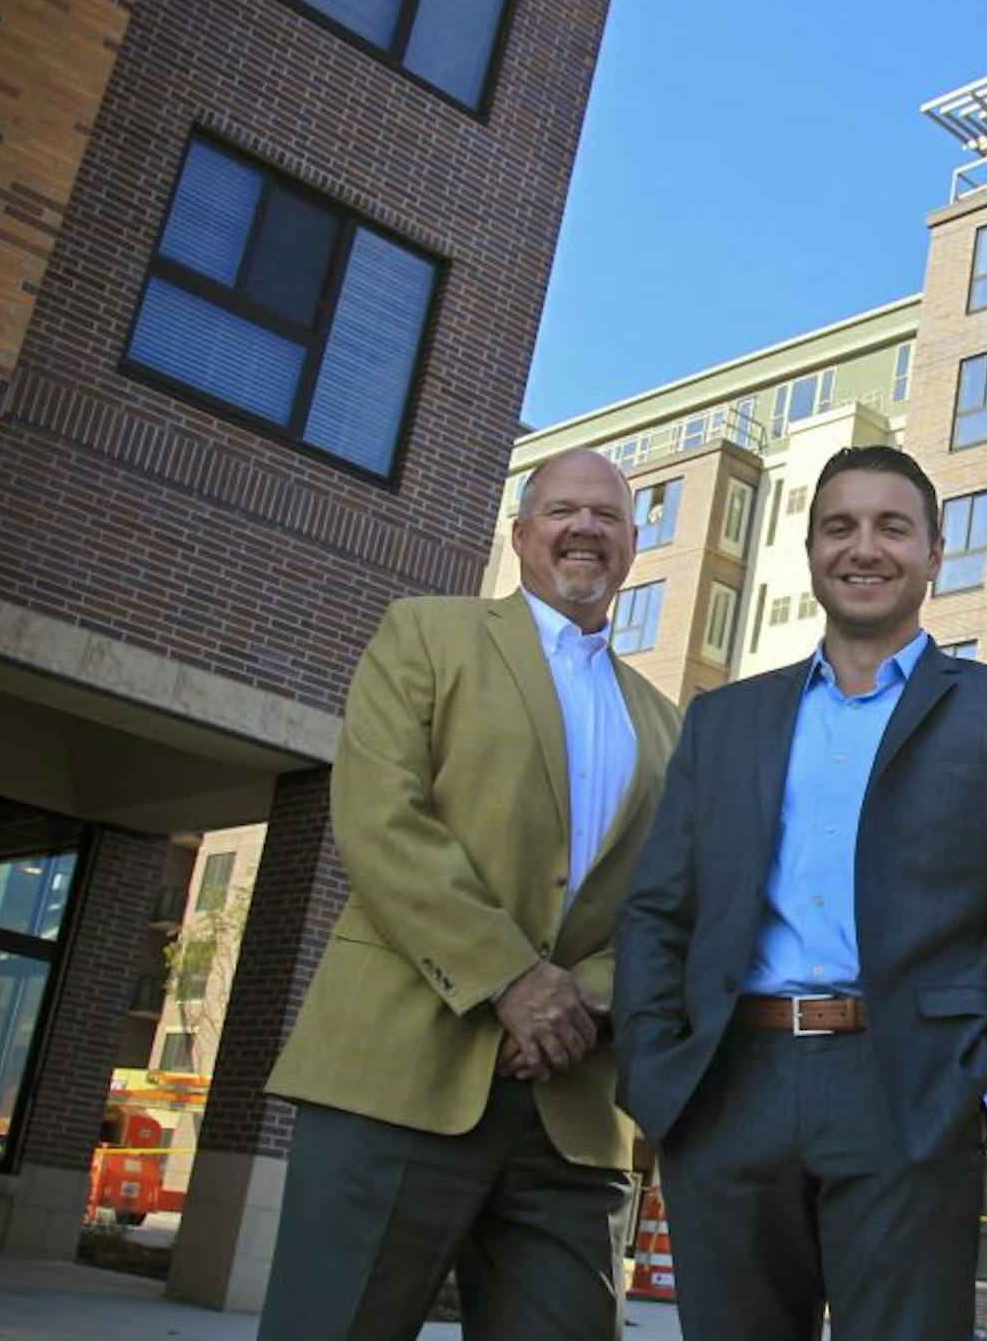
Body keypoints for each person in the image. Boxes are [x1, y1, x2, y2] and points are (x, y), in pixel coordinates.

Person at [614, 444, 987, 1341]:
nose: (863, 548)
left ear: (934, 553)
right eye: (840, 526)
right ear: (811, 551)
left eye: (891, 527)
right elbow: (657, 910)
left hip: (910, 1088)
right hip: (728, 1089)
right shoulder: (725, 721)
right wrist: (651, 1065)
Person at [259, 450, 681, 1341]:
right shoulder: (424, 634)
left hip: (573, 1109)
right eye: (563, 510)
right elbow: (380, 818)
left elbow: (675, 902)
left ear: (635, 547)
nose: (585, 529)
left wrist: (584, 998)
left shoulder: (667, 722)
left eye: (607, 517)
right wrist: (509, 978)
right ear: (522, 534)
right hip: (397, 1077)